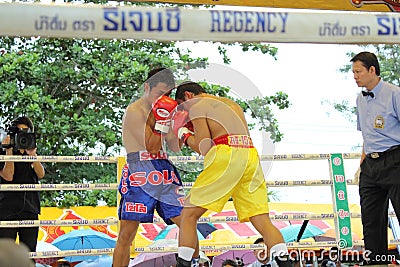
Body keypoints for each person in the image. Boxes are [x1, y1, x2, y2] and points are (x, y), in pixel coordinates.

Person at [172, 82, 293, 267]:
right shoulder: (231, 103)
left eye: (182, 106)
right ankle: (284, 261)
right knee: (260, 217)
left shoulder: (196, 105)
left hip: (226, 155)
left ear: (188, 96)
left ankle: (184, 264)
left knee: (188, 215)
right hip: (250, 156)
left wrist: (184, 133)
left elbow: (204, 147)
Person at [112, 68, 189, 267]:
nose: (165, 98)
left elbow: (174, 146)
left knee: (187, 222)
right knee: (127, 234)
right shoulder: (135, 111)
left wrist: (180, 126)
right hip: (140, 169)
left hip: (164, 169)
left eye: (168, 94)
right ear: (147, 87)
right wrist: (163, 122)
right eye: (160, 93)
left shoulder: (167, 109)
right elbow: (151, 145)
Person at [351, 51, 400, 265]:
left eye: (358, 71)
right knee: (370, 220)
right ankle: (376, 262)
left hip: (395, 159)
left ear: (372, 70)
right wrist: (361, 165)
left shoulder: (394, 94)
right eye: (353, 72)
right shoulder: (360, 99)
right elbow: (366, 135)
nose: (355, 76)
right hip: (370, 163)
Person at [0, 116, 45, 257]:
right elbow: (8, 176)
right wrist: (8, 151)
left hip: (30, 208)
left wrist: (33, 155)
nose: (22, 135)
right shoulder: (3, 152)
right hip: (7, 209)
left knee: (30, 254)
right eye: (19, 131)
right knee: (6, 256)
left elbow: (41, 174)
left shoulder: (31, 151)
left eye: (25, 131)